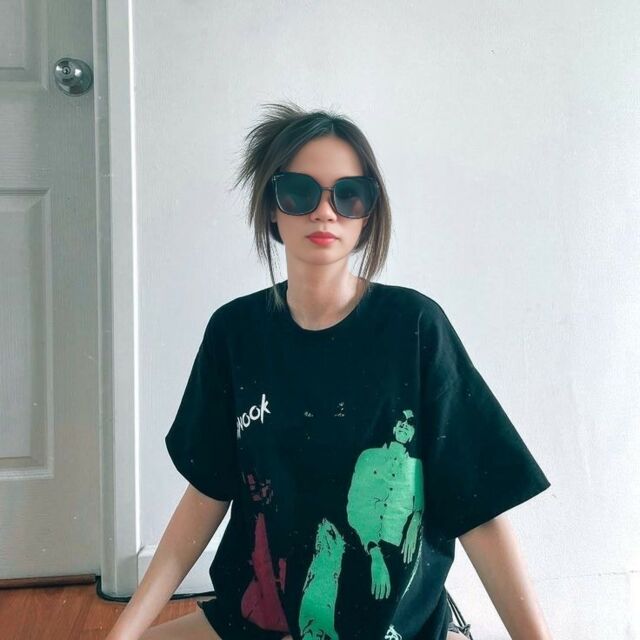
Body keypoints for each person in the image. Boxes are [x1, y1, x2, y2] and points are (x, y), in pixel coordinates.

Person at [106, 102, 553, 640]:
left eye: (349, 195)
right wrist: (124, 631)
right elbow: (207, 493)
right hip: (262, 619)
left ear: (369, 213)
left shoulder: (414, 328)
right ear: (272, 207)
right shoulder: (235, 333)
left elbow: (479, 507)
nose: (325, 211)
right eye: (299, 192)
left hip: (391, 627)